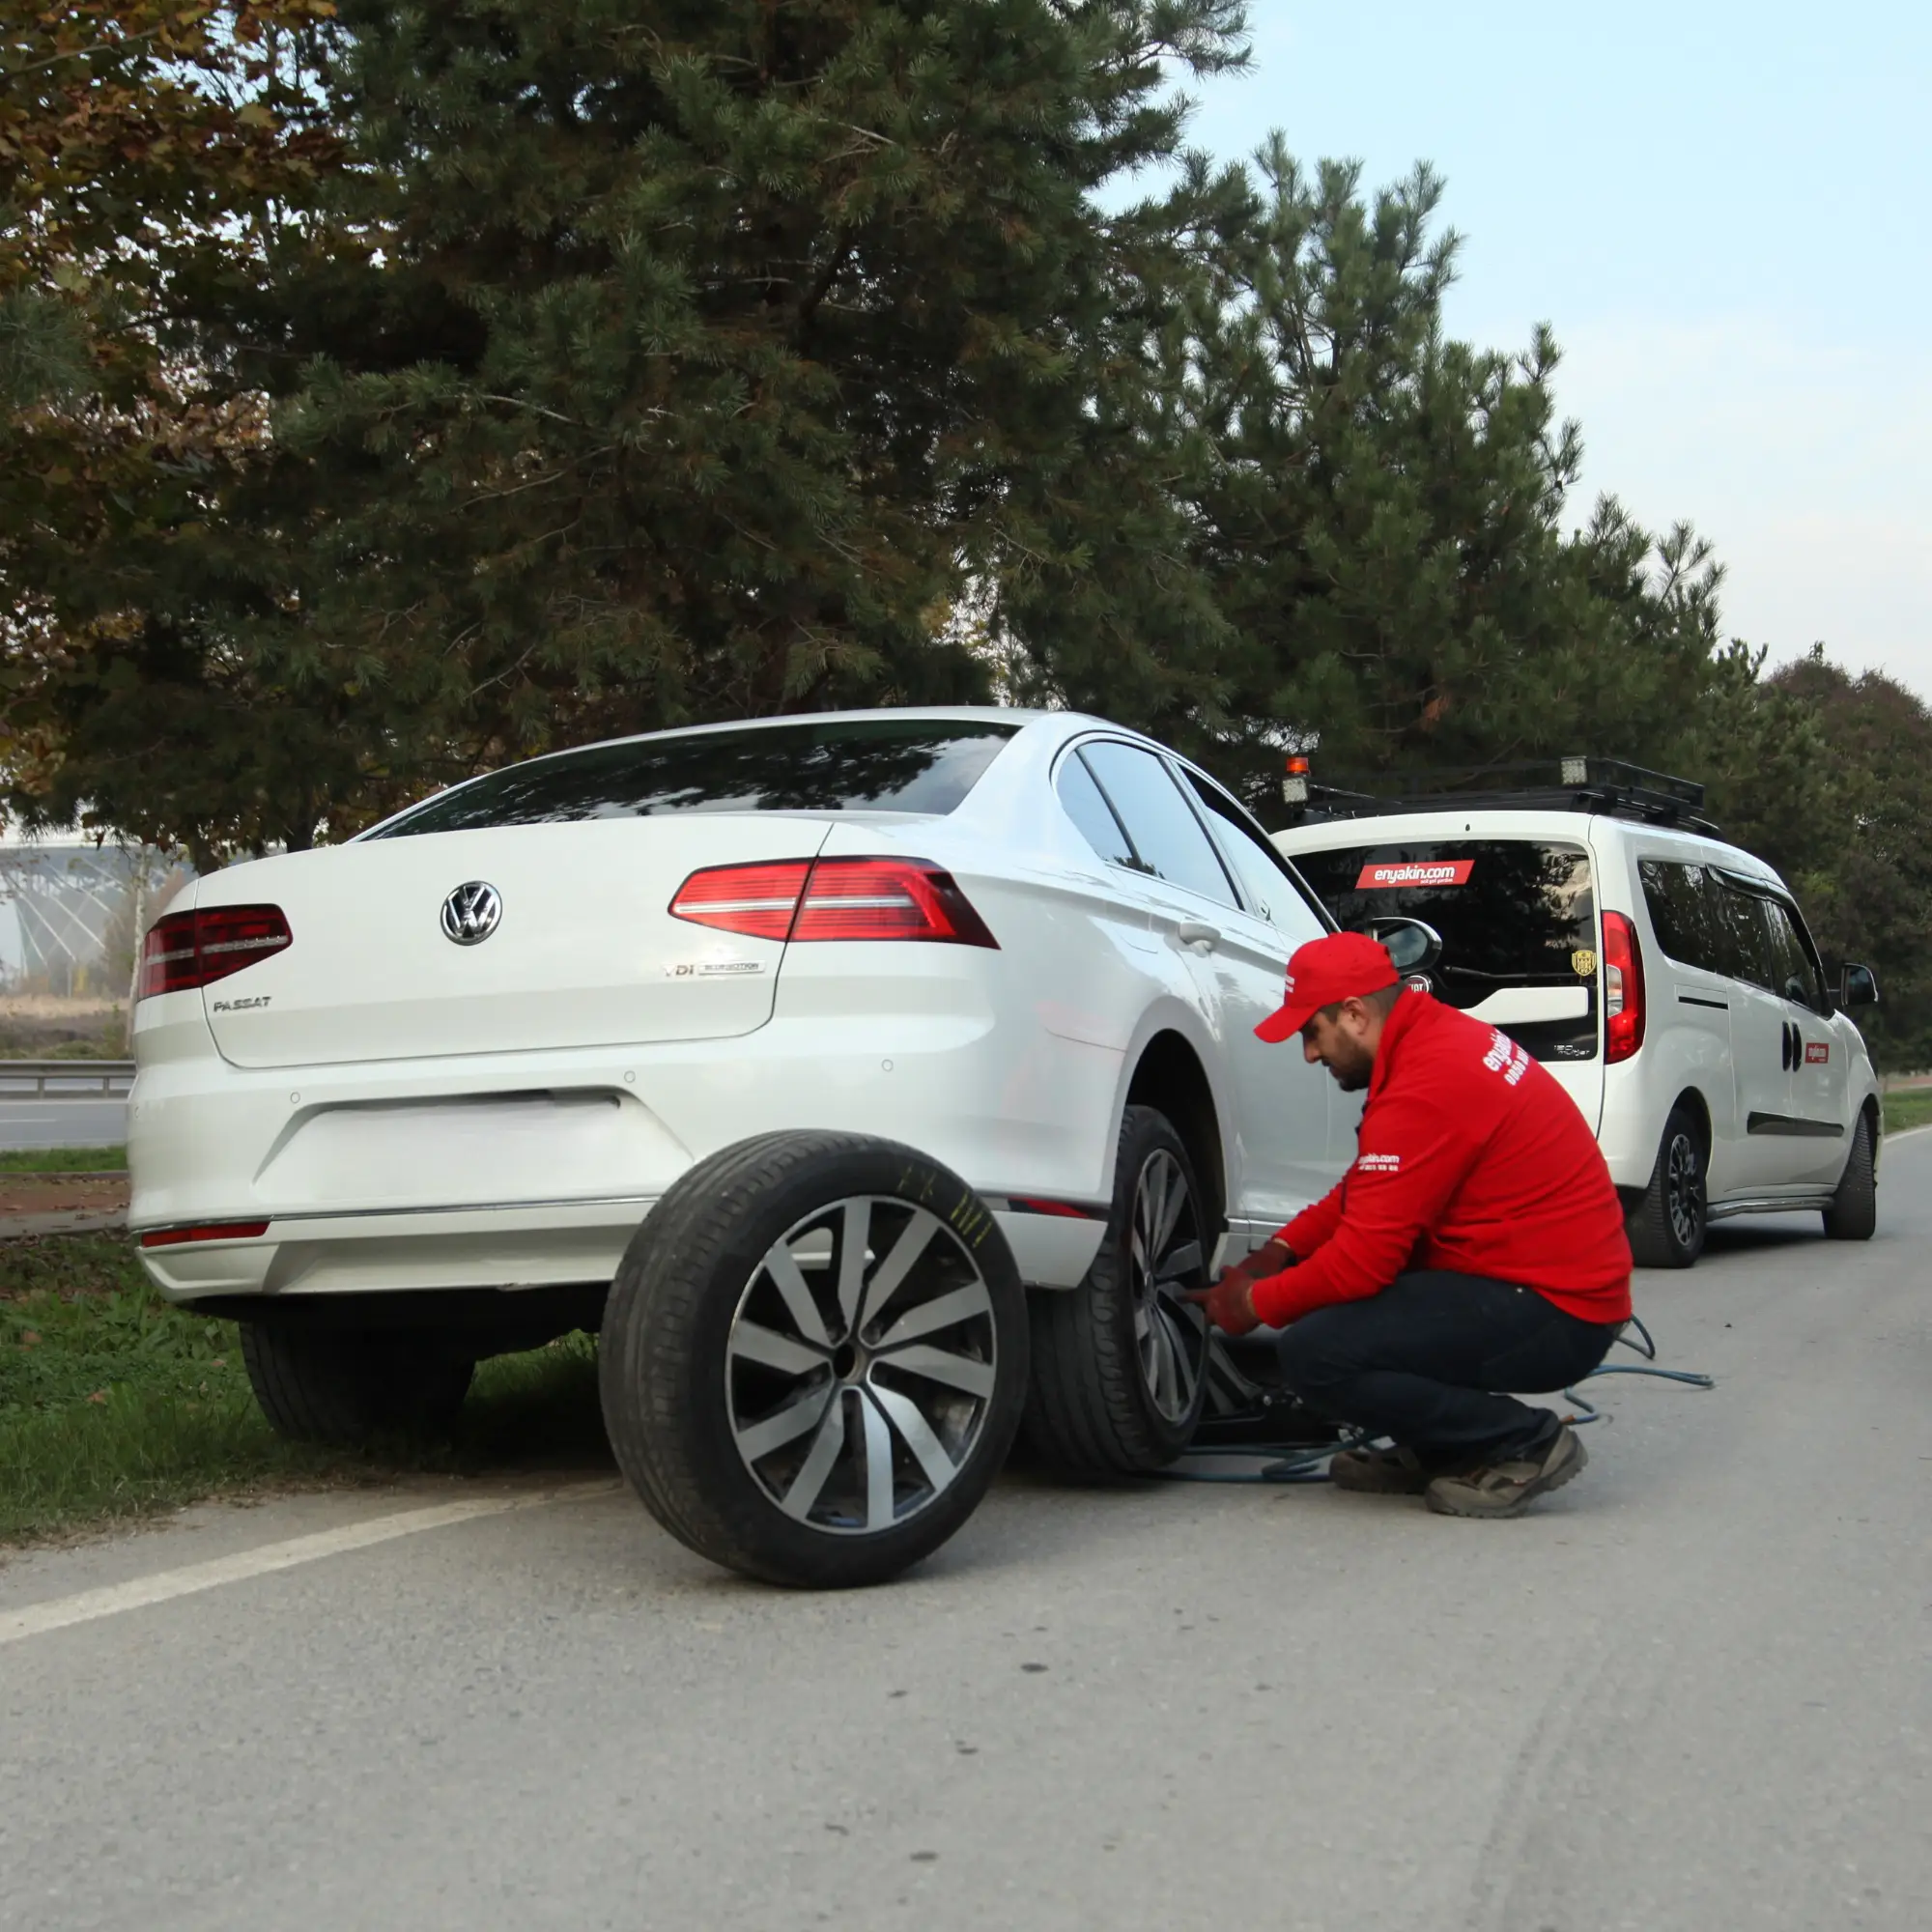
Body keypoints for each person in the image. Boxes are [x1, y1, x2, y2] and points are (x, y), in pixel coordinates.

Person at [1192, 930, 1634, 1519]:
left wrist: (1254, 1304)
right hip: (1543, 1286)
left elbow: (1361, 1264)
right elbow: (1368, 1190)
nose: (1309, 1055)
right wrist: (1280, 1248)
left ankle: (1520, 1441)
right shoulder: (1433, 1039)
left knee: (1316, 1352)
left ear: (1354, 1014)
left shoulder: (1427, 1082)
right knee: (1338, 1312)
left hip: (1557, 1310)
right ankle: (1443, 1446)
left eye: (1310, 1033)